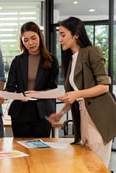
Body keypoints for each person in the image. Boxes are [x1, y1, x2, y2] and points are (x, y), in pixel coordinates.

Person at [48, 16, 116, 167]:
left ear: (76, 35)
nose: (60, 39)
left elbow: (104, 86)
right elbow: (73, 94)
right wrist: (61, 113)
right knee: (86, 164)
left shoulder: (92, 51)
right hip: (82, 114)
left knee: (98, 165)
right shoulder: (71, 59)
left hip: (99, 116)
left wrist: (76, 95)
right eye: (59, 34)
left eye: (63, 34)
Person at [5, 21, 59, 137]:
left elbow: (52, 88)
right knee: (21, 149)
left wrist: (37, 94)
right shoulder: (17, 61)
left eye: (33, 38)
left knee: (41, 150)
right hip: (20, 111)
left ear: (40, 36)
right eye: (26, 40)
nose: (30, 43)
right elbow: (10, 87)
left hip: (43, 112)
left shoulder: (52, 60)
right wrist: (12, 95)